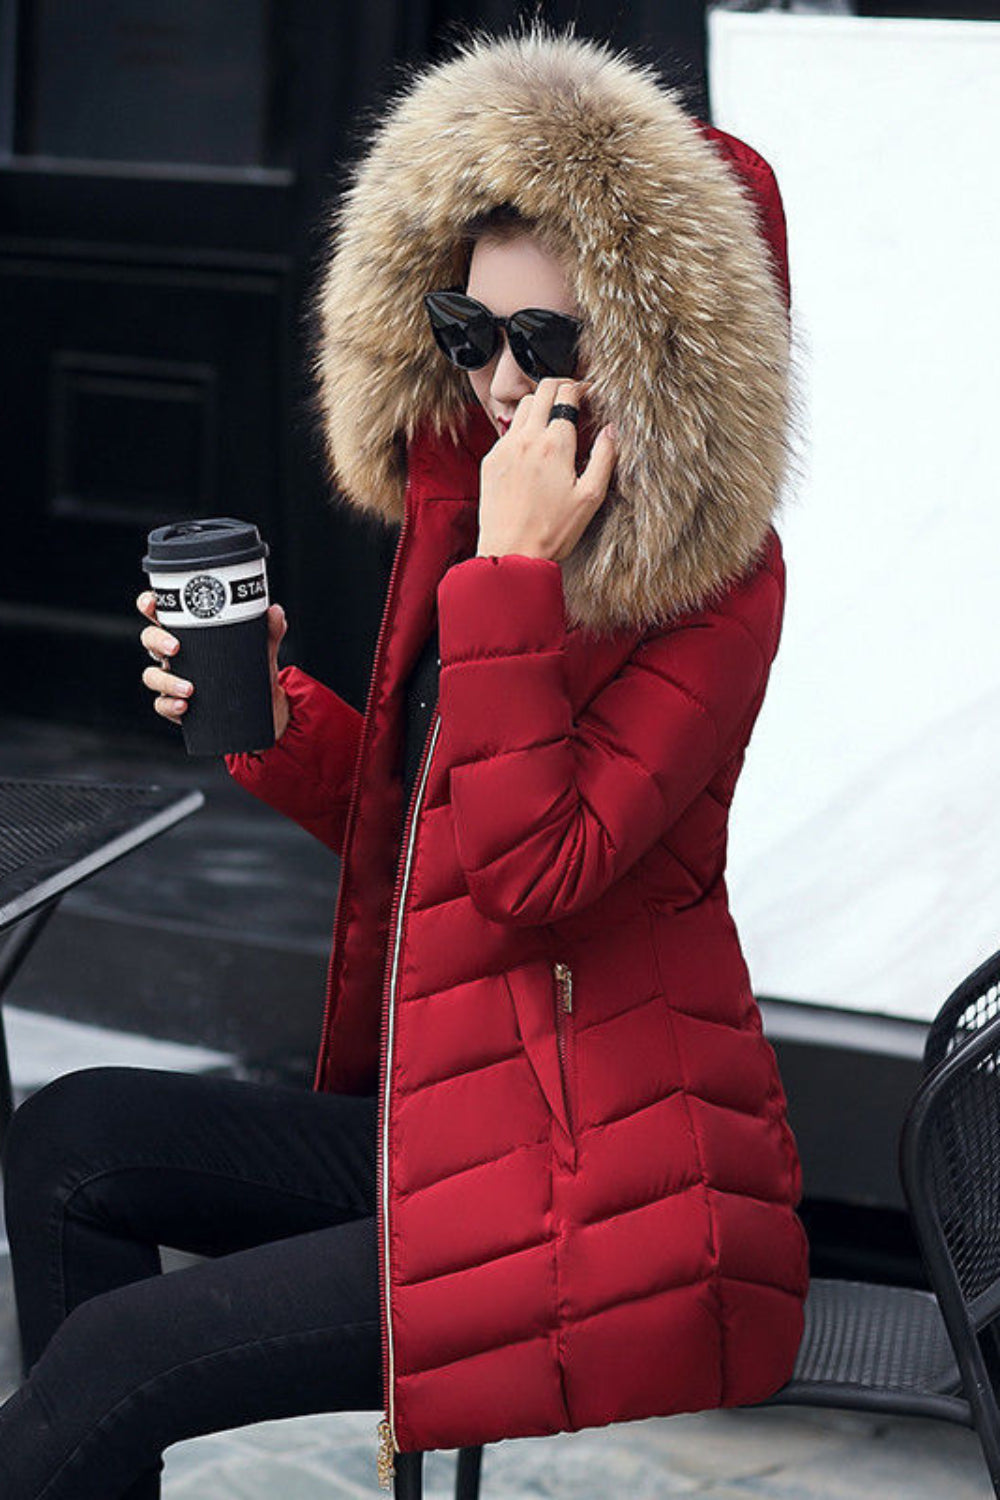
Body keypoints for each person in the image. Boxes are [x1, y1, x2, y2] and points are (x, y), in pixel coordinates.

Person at [0, 22, 808, 1497]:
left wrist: (512, 576)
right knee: (72, 1137)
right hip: (453, 1118)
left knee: (117, 1361)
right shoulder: (477, 517)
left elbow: (530, 872)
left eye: (545, 340)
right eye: (467, 331)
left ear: (660, 347)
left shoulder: (716, 589)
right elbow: (432, 829)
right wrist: (274, 716)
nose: (499, 380)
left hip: (611, 1198)